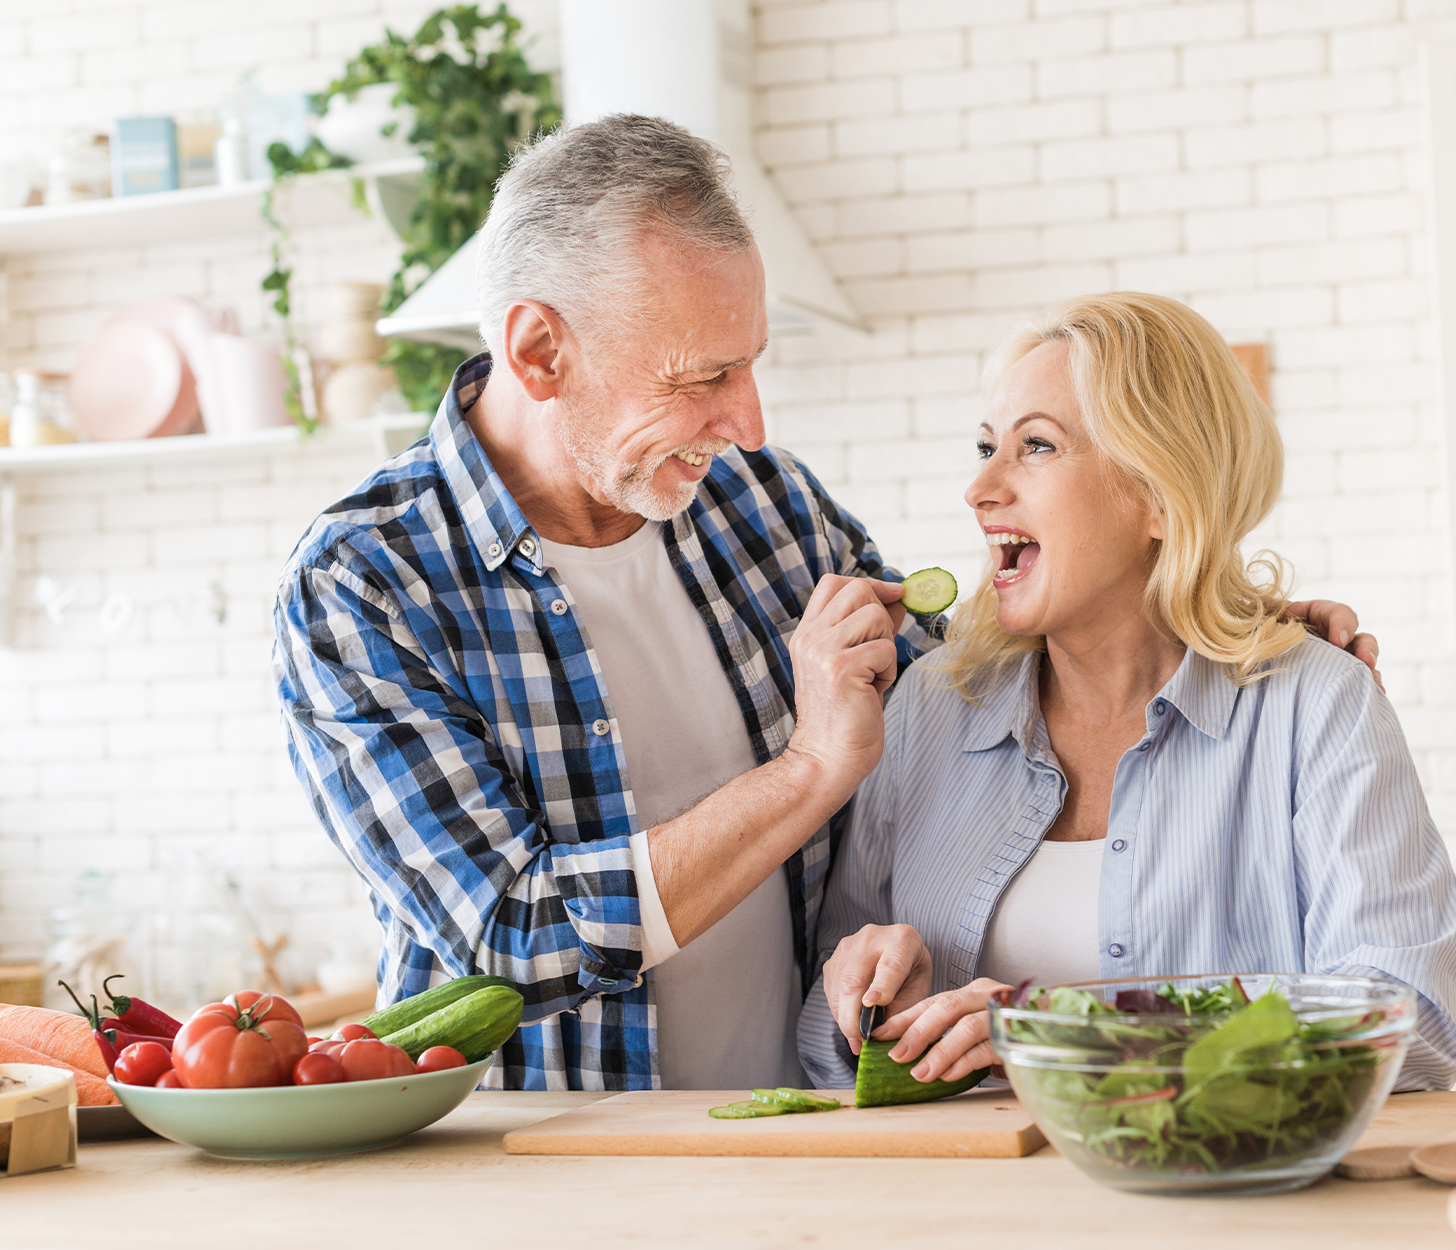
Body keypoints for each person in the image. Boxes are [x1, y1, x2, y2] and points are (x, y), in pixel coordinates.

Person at [273, 115, 1376, 1091]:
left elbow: (978, 689)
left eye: (750, 365)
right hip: (544, 1169)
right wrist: (808, 771)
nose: (746, 421)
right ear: (540, 349)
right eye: (701, 376)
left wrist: (1233, 629)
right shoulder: (366, 583)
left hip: (793, 1125)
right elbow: (506, 939)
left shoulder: (765, 506)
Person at [800, 293, 1456, 1094]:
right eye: (985, 447)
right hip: (967, 1206)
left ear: (1158, 492)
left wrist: (1075, 1032)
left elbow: (1406, 1019)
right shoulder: (930, 709)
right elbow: (821, 1039)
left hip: (1213, 1207)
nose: (980, 488)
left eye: (1036, 446)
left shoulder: (1316, 705)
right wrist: (869, 1011)